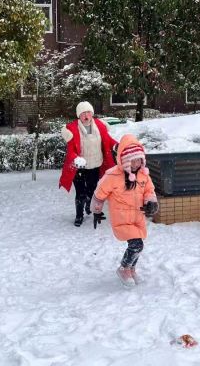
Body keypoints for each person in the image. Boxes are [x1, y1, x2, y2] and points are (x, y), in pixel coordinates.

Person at [90, 134, 159, 287]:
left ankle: (131, 268)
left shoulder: (143, 175)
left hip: (137, 217)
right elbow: (99, 194)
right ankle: (123, 268)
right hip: (121, 218)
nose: (136, 163)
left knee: (138, 246)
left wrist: (151, 202)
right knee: (137, 245)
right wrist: (96, 210)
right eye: (132, 160)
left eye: (139, 159)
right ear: (124, 160)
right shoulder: (113, 176)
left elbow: (149, 190)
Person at [59, 101, 118, 227]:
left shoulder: (100, 126)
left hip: (95, 165)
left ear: (92, 114)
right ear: (78, 116)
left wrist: (117, 146)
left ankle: (88, 204)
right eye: (83, 113)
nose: (86, 116)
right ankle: (79, 215)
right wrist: (76, 159)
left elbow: (108, 140)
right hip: (79, 167)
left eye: (88, 113)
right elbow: (71, 150)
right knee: (80, 192)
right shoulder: (72, 129)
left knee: (92, 191)